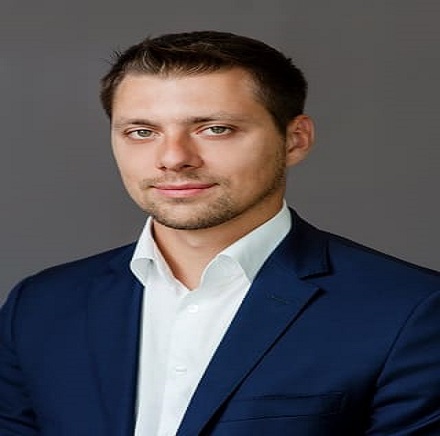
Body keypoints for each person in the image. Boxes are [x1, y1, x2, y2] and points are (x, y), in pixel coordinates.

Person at [0, 30, 439, 436]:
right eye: (142, 132)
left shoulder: (411, 311)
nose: (174, 158)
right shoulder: (39, 306)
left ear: (295, 139)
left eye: (215, 129)